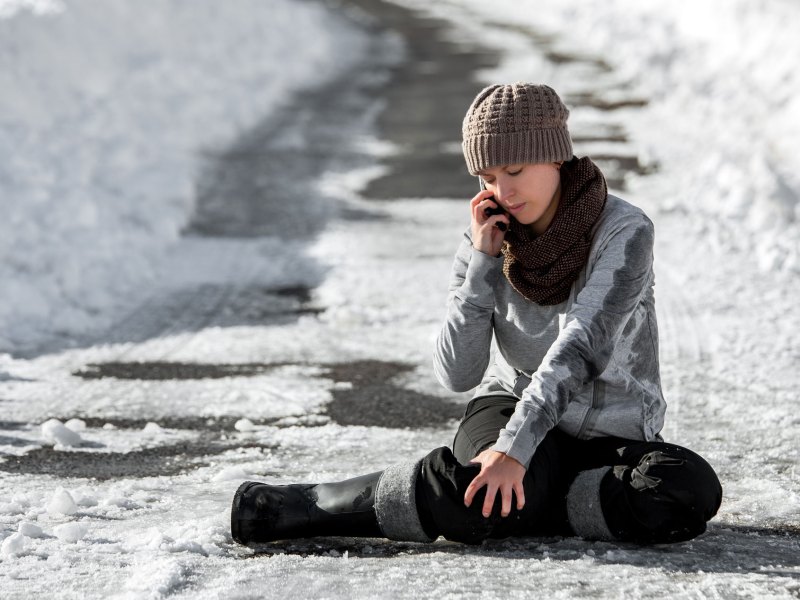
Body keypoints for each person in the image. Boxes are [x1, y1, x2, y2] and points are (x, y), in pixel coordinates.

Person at [230, 83, 722, 546]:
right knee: (484, 493)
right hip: (508, 407)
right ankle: (315, 505)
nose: (502, 191)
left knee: (684, 489)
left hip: (609, 436)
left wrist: (512, 455)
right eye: (488, 178)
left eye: (514, 171)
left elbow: (581, 346)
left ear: (555, 154)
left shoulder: (624, 231)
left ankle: (528, 501)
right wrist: (483, 264)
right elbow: (458, 373)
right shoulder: (486, 236)